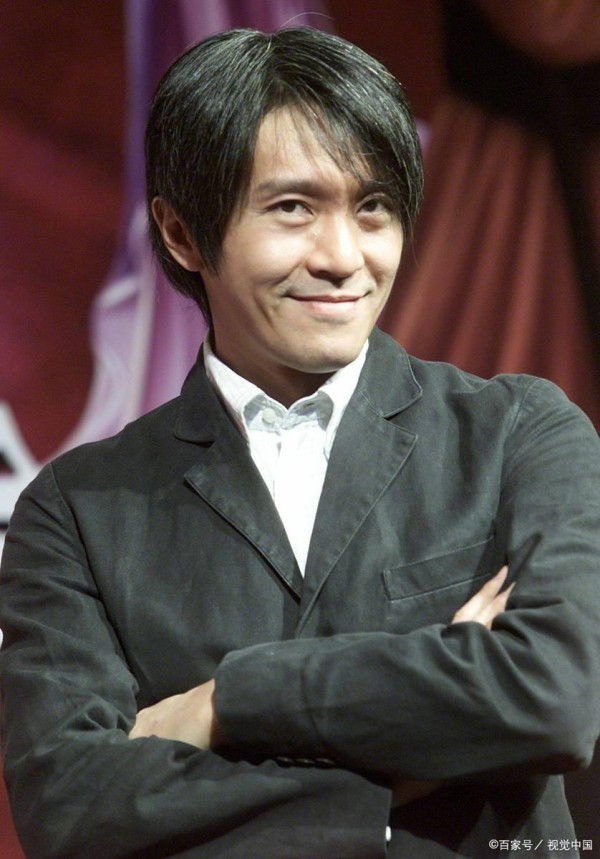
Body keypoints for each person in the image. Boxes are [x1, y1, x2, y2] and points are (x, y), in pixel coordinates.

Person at [1, 27, 599, 859]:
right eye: (293, 208)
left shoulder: (519, 433)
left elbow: (554, 697)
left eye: (374, 207)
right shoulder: (75, 512)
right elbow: (71, 809)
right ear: (181, 232)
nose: (344, 257)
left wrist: (225, 702)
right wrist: (422, 731)